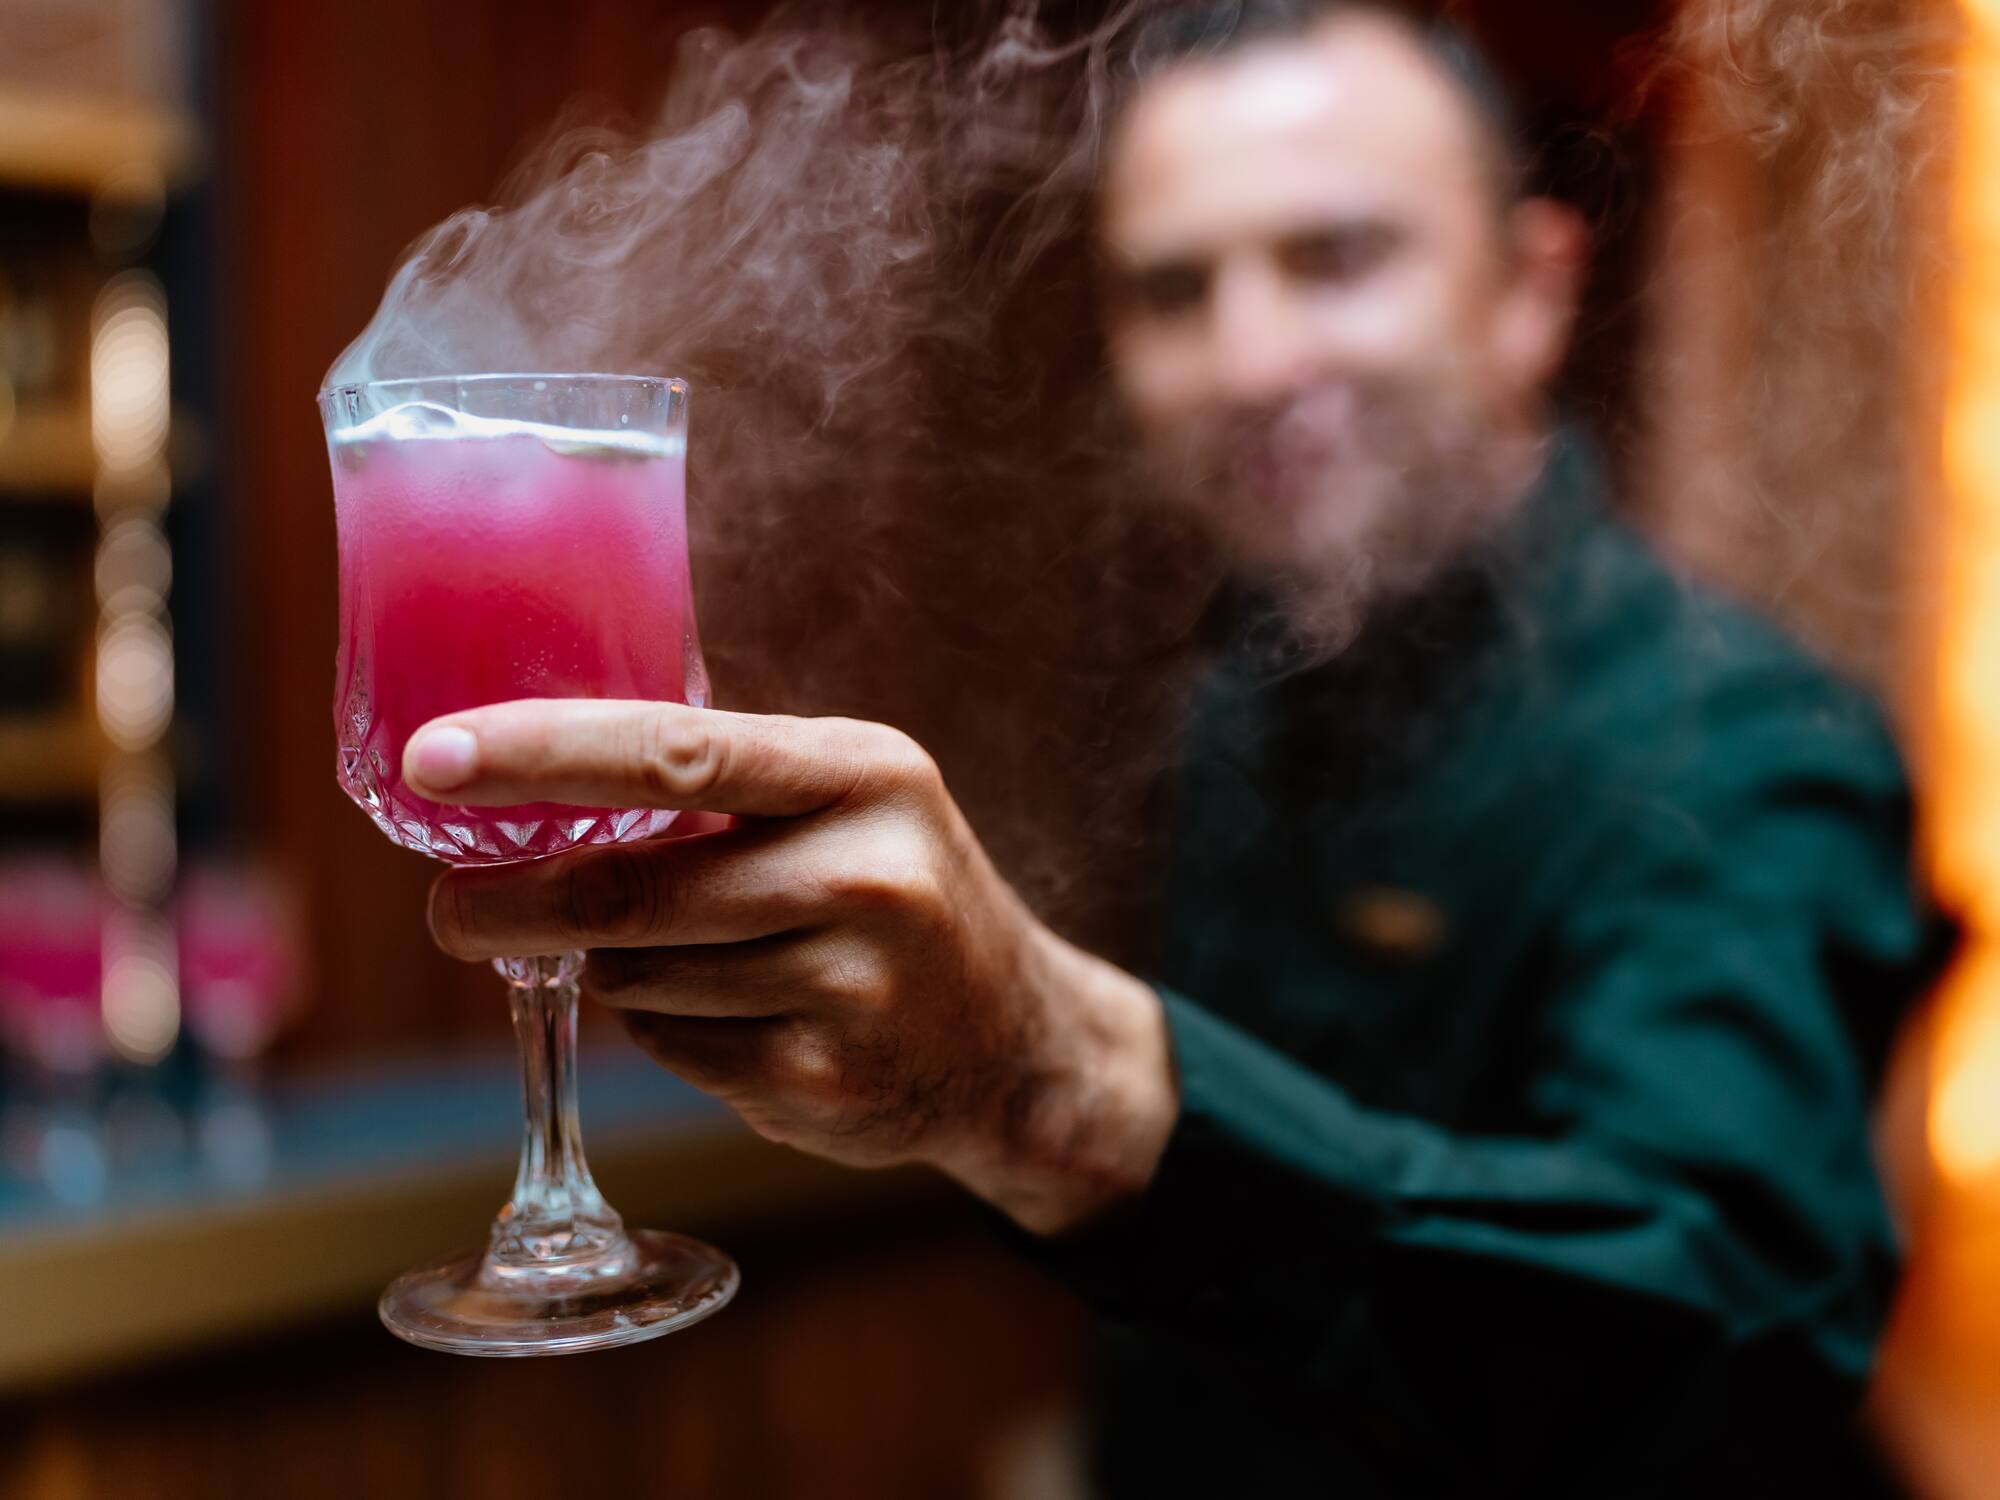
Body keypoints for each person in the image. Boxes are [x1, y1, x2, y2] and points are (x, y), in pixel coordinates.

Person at [399, 3, 1951, 1493]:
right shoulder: (1245, 694)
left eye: (1335, 259)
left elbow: (1731, 1365)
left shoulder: (1742, 743)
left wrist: (1051, 1076)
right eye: (1172, 291)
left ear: (1531, 290)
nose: (1252, 356)